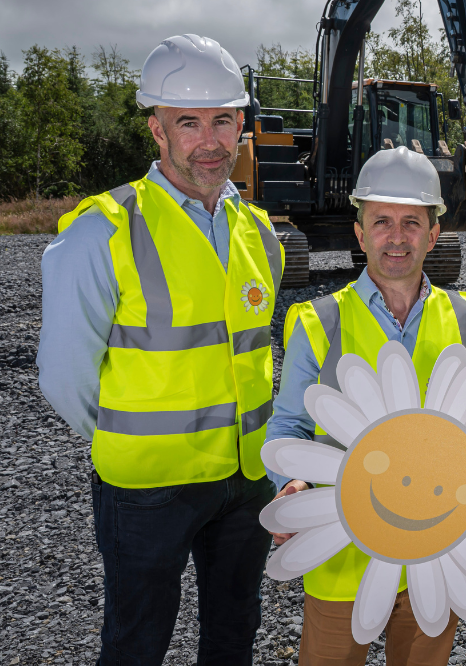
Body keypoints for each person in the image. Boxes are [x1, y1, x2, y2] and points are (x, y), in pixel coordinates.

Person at [37, 34, 283, 665]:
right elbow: (65, 375)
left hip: (245, 480)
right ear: (157, 130)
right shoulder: (103, 229)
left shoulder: (260, 233)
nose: (209, 141)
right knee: (136, 644)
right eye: (188, 122)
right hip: (148, 489)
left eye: (223, 121)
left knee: (234, 638)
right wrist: (132, 436)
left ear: (241, 126)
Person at [264, 146, 466, 666]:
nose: (397, 236)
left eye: (412, 221)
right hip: (343, 555)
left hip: (437, 552)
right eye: (382, 221)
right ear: (360, 232)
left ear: (433, 234)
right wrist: (289, 483)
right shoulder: (318, 321)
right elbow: (288, 425)